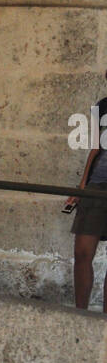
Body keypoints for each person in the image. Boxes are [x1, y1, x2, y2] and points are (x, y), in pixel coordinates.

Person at [66, 90, 107, 310]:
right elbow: (94, 149)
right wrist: (82, 187)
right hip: (97, 185)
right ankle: (79, 315)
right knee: (82, 252)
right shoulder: (101, 106)